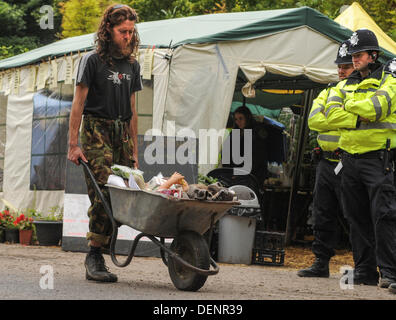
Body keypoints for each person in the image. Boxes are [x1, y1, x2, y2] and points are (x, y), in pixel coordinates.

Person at [67, 4, 142, 283]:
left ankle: (104, 247)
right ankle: (94, 254)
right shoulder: (92, 60)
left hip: (122, 132)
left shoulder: (133, 64)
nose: (127, 36)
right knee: (105, 190)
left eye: (131, 31)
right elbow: (78, 103)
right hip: (96, 129)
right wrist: (73, 144)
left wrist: (134, 151)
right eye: (123, 31)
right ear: (108, 31)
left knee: (124, 191)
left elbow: (133, 109)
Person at [325, 29, 396, 289]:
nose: (354, 60)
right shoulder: (344, 84)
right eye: (352, 55)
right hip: (350, 160)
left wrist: (348, 107)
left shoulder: (389, 80)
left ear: (373, 55)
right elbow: (329, 116)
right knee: (355, 218)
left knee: (384, 215)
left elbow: (377, 108)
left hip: (378, 159)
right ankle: (365, 272)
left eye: (359, 54)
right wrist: (359, 113)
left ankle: (390, 273)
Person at [297, 41, 355, 278]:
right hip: (325, 162)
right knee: (322, 213)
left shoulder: (360, 92)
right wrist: (340, 118)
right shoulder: (329, 90)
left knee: (353, 215)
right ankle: (321, 263)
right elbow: (314, 121)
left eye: (347, 66)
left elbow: (354, 121)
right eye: (340, 66)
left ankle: (360, 266)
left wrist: (332, 117)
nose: (341, 71)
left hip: (348, 162)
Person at [222, 106, 269, 184]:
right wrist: (228, 171)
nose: (238, 122)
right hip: (235, 175)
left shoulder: (256, 132)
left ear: (248, 118)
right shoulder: (234, 132)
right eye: (236, 119)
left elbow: (257, 157)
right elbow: (226, 152)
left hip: (252, 176)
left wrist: (241, 173)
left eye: (241, 118)